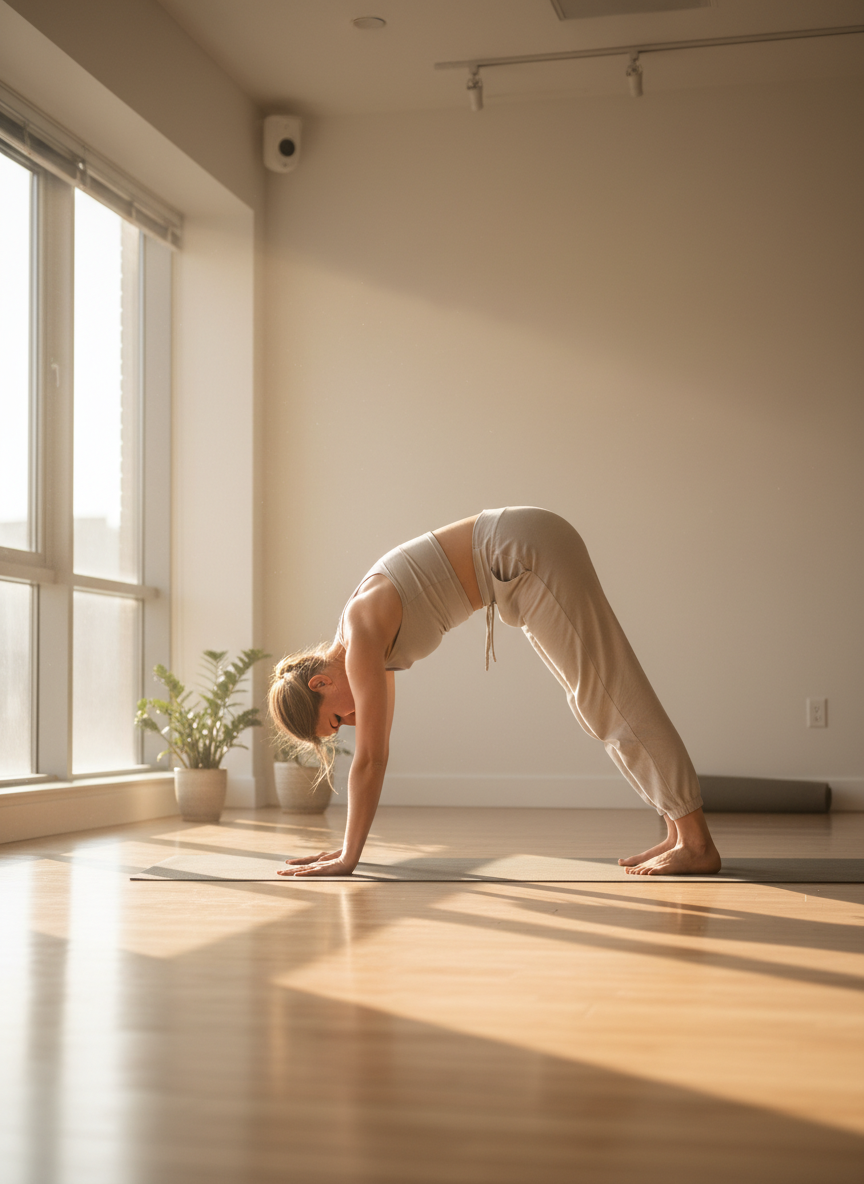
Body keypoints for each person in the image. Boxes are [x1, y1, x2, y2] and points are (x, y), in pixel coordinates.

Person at [269, 507, 721, 878]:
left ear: (321, 683)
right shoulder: (362, 643)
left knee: (609, 697)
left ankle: (695, 841)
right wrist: (349, 848)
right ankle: (680, 832)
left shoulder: (361, 630)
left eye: (334, 719)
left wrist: (349, 857)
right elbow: (378, 746)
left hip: (524, 550)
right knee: (596, 703)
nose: (348, 723)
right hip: (521, 558)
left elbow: (370, 759)